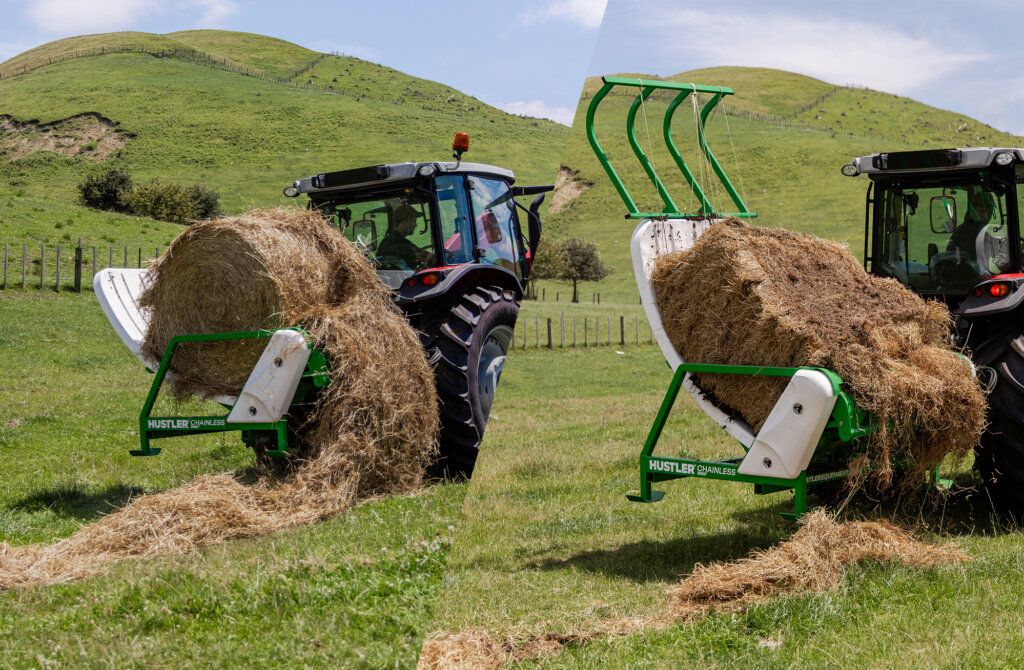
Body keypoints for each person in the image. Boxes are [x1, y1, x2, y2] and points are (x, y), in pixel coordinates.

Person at [376, 204, 434, 269]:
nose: (416, 225)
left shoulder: (385, 243)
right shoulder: (401, 245)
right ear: (404, 221)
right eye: (414, 220)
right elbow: (424, 255)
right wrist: (430, 256)